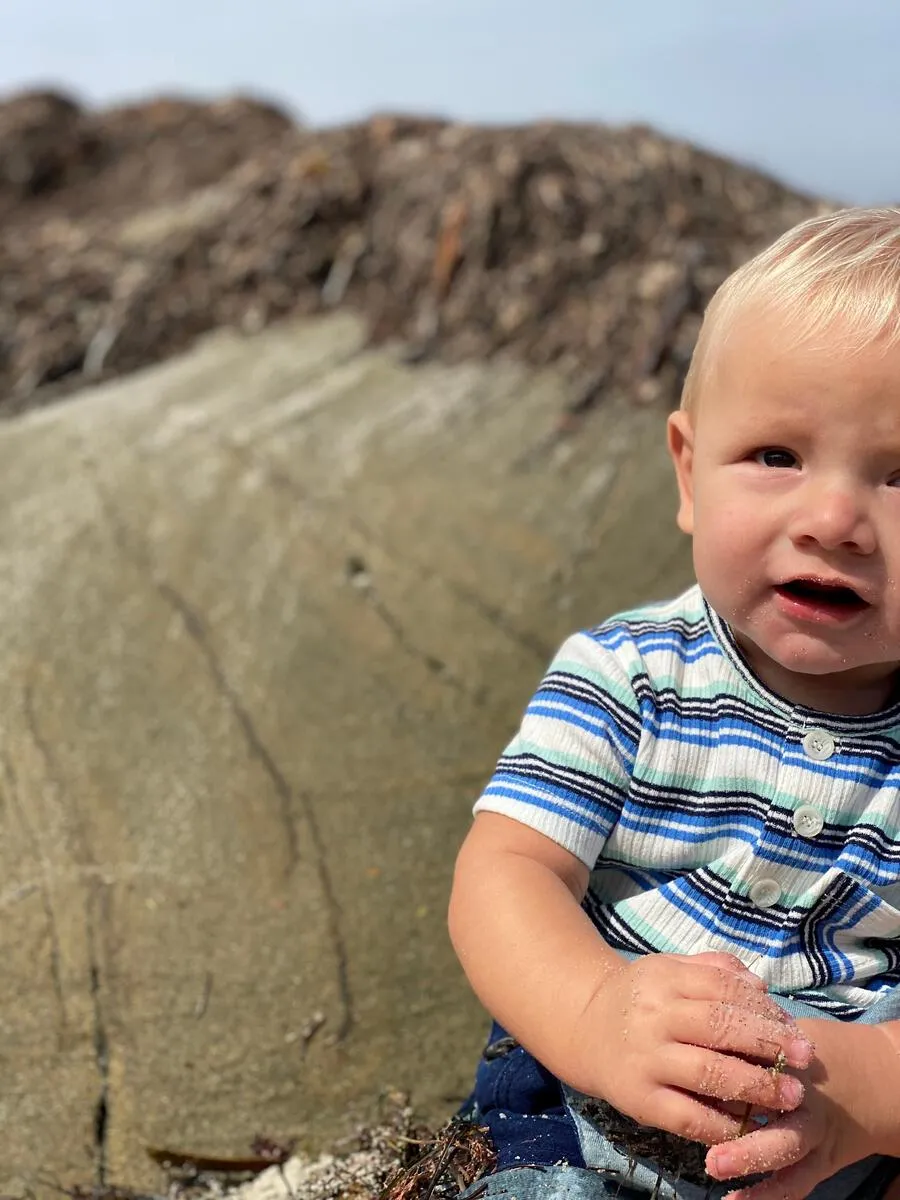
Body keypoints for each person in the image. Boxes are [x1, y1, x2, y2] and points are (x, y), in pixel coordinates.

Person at [448, 207, 900, 1200]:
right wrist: (597, 1008)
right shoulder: (633, 677)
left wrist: (866, 1090)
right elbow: (506, 872)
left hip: (848, 1132)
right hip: (588, 1093)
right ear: (690, 472)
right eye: (778, 456)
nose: (834, 521)